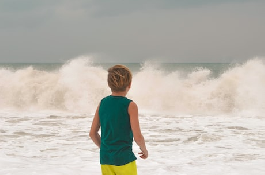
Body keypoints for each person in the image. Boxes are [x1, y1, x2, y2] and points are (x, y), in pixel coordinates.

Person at [89, 64, 148, 175]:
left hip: (106, 159)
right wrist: (144, 150)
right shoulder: (130, 105)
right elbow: (138, 137)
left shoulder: (102, 103)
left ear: (109, 84)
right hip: (124, 159)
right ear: (129, 84)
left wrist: (106, 149)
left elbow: (92, 133)